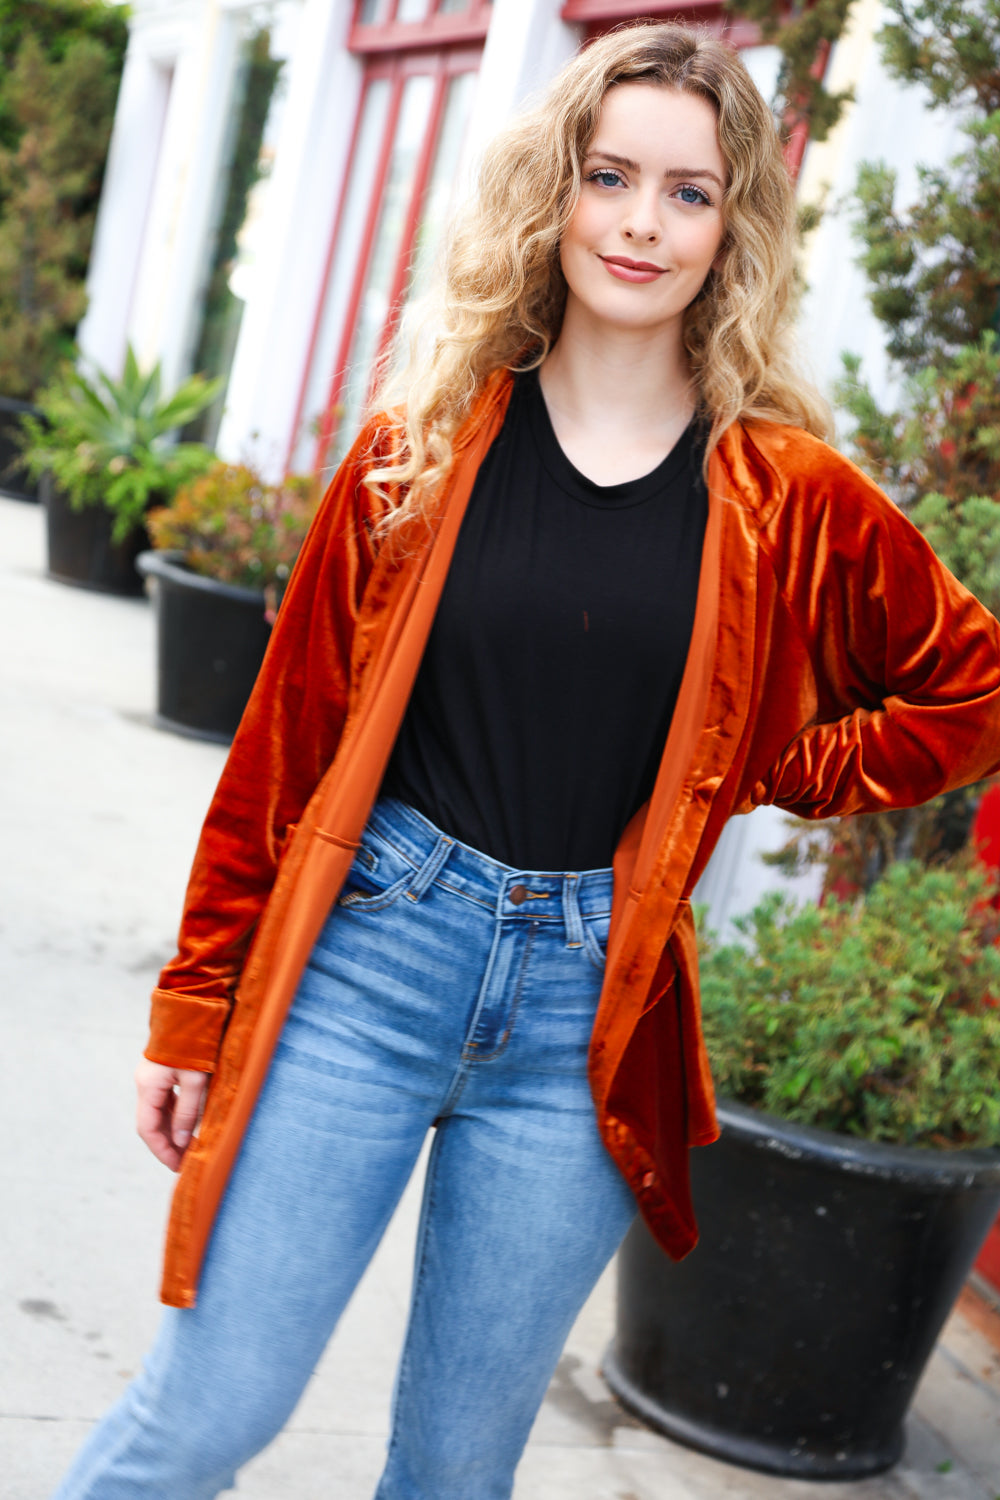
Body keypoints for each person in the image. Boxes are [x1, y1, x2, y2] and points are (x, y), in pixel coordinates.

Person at [54, 21, 1000, 1500]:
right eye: (609, 176)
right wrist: (194, 1004)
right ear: (551, 192)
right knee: (205, 1416)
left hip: (587, 1016)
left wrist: (772, 766)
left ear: (733, 228)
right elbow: (282, 754)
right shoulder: (419, 448)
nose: (642, 223)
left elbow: (969, 689)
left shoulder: (788, 498)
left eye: (689, 192)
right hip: (367, 963)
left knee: (454, 1475)